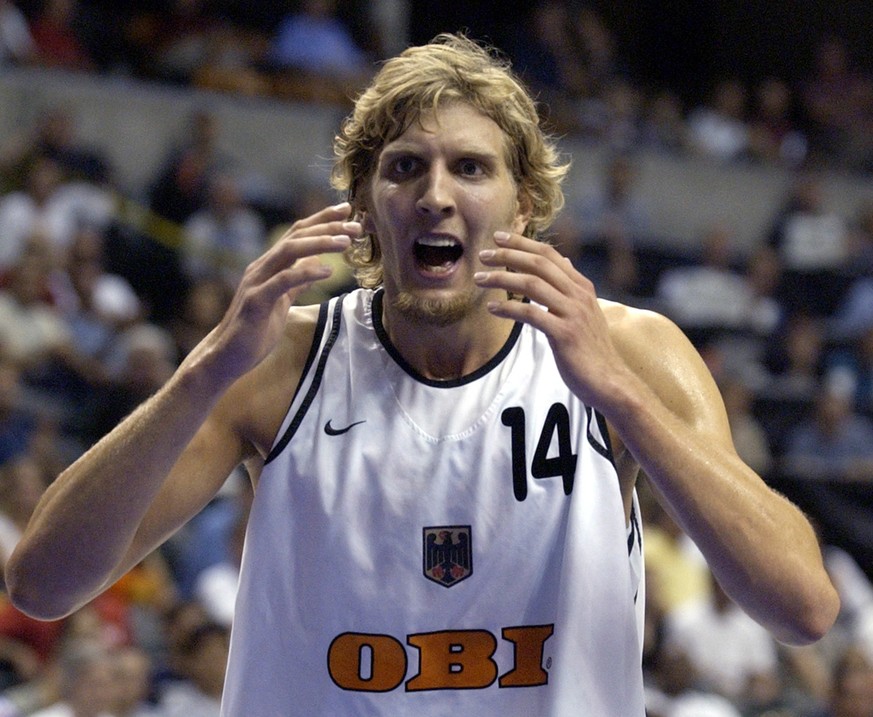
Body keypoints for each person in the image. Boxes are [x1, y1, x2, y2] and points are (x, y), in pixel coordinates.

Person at [5, 33, 839, 716]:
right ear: (365, 210)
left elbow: (801, 606)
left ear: (522, 208)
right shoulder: (274, 363)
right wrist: (203, 371)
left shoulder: (627, 351)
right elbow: (42, 584)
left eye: (470, 168)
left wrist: (618, 396)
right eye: (405, 167)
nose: (435, 194)